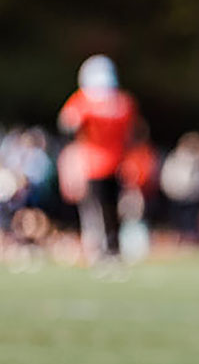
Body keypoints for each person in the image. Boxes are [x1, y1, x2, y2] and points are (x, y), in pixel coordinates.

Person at [57, 55, 139, 265]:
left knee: (100, 210)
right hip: (106, 164)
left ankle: (104, 249)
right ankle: (109, 249)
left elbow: (67, 125)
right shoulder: (122, 102)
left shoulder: (86, 101)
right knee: (107, 209)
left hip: (96, 165)